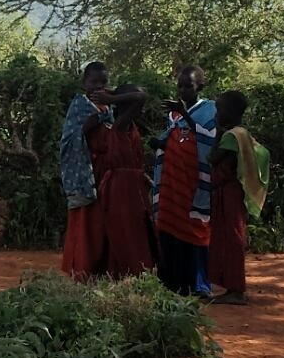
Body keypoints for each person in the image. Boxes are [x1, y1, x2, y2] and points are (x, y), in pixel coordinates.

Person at [60, 62, 145, 279]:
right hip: (88, 175)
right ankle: (82, 270)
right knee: (88, 226)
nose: (98, 87)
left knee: (105, 230)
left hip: (109, 180)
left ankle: (102, 272)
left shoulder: (112, 111)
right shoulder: (80, 105)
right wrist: (86, 128)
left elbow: (140, 96)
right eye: (93, 82)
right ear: (83, 82)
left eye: (103, 82)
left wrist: (113, 99)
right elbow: (71, 139)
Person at [151, 65, 217, 297]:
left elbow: (209, 140)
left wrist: (186, 114)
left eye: (188, 85)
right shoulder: (174, 115)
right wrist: (160, 144)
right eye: (179, 85)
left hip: (195, 184)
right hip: (172, 183)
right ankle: (172, 281)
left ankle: (198, 284)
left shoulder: (211, 111)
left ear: (200, 86)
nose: (182, 90)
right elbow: (175, 140)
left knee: (195, 228)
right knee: (169, 228)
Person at [207, 90, 270, 305]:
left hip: (230, 193)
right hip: (228, 192)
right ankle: (230, 287)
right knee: (227, 236)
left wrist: (217, 132)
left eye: (219, 109)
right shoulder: (242, 134)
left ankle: (236, 289)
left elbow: (213, 158)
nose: (216, 113)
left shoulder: (232, 136)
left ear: (230, 112)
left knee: (232, 238)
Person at [89, 84, 154, 278]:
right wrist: (113, 99)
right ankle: (129, 274)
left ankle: (129, 275)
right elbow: (142, 96)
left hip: (132, 187)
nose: (141, 109)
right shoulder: (120, 125)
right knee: (124, 233)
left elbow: (140, 97)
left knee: (135, 232)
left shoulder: (130, 126)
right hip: (121, 188)